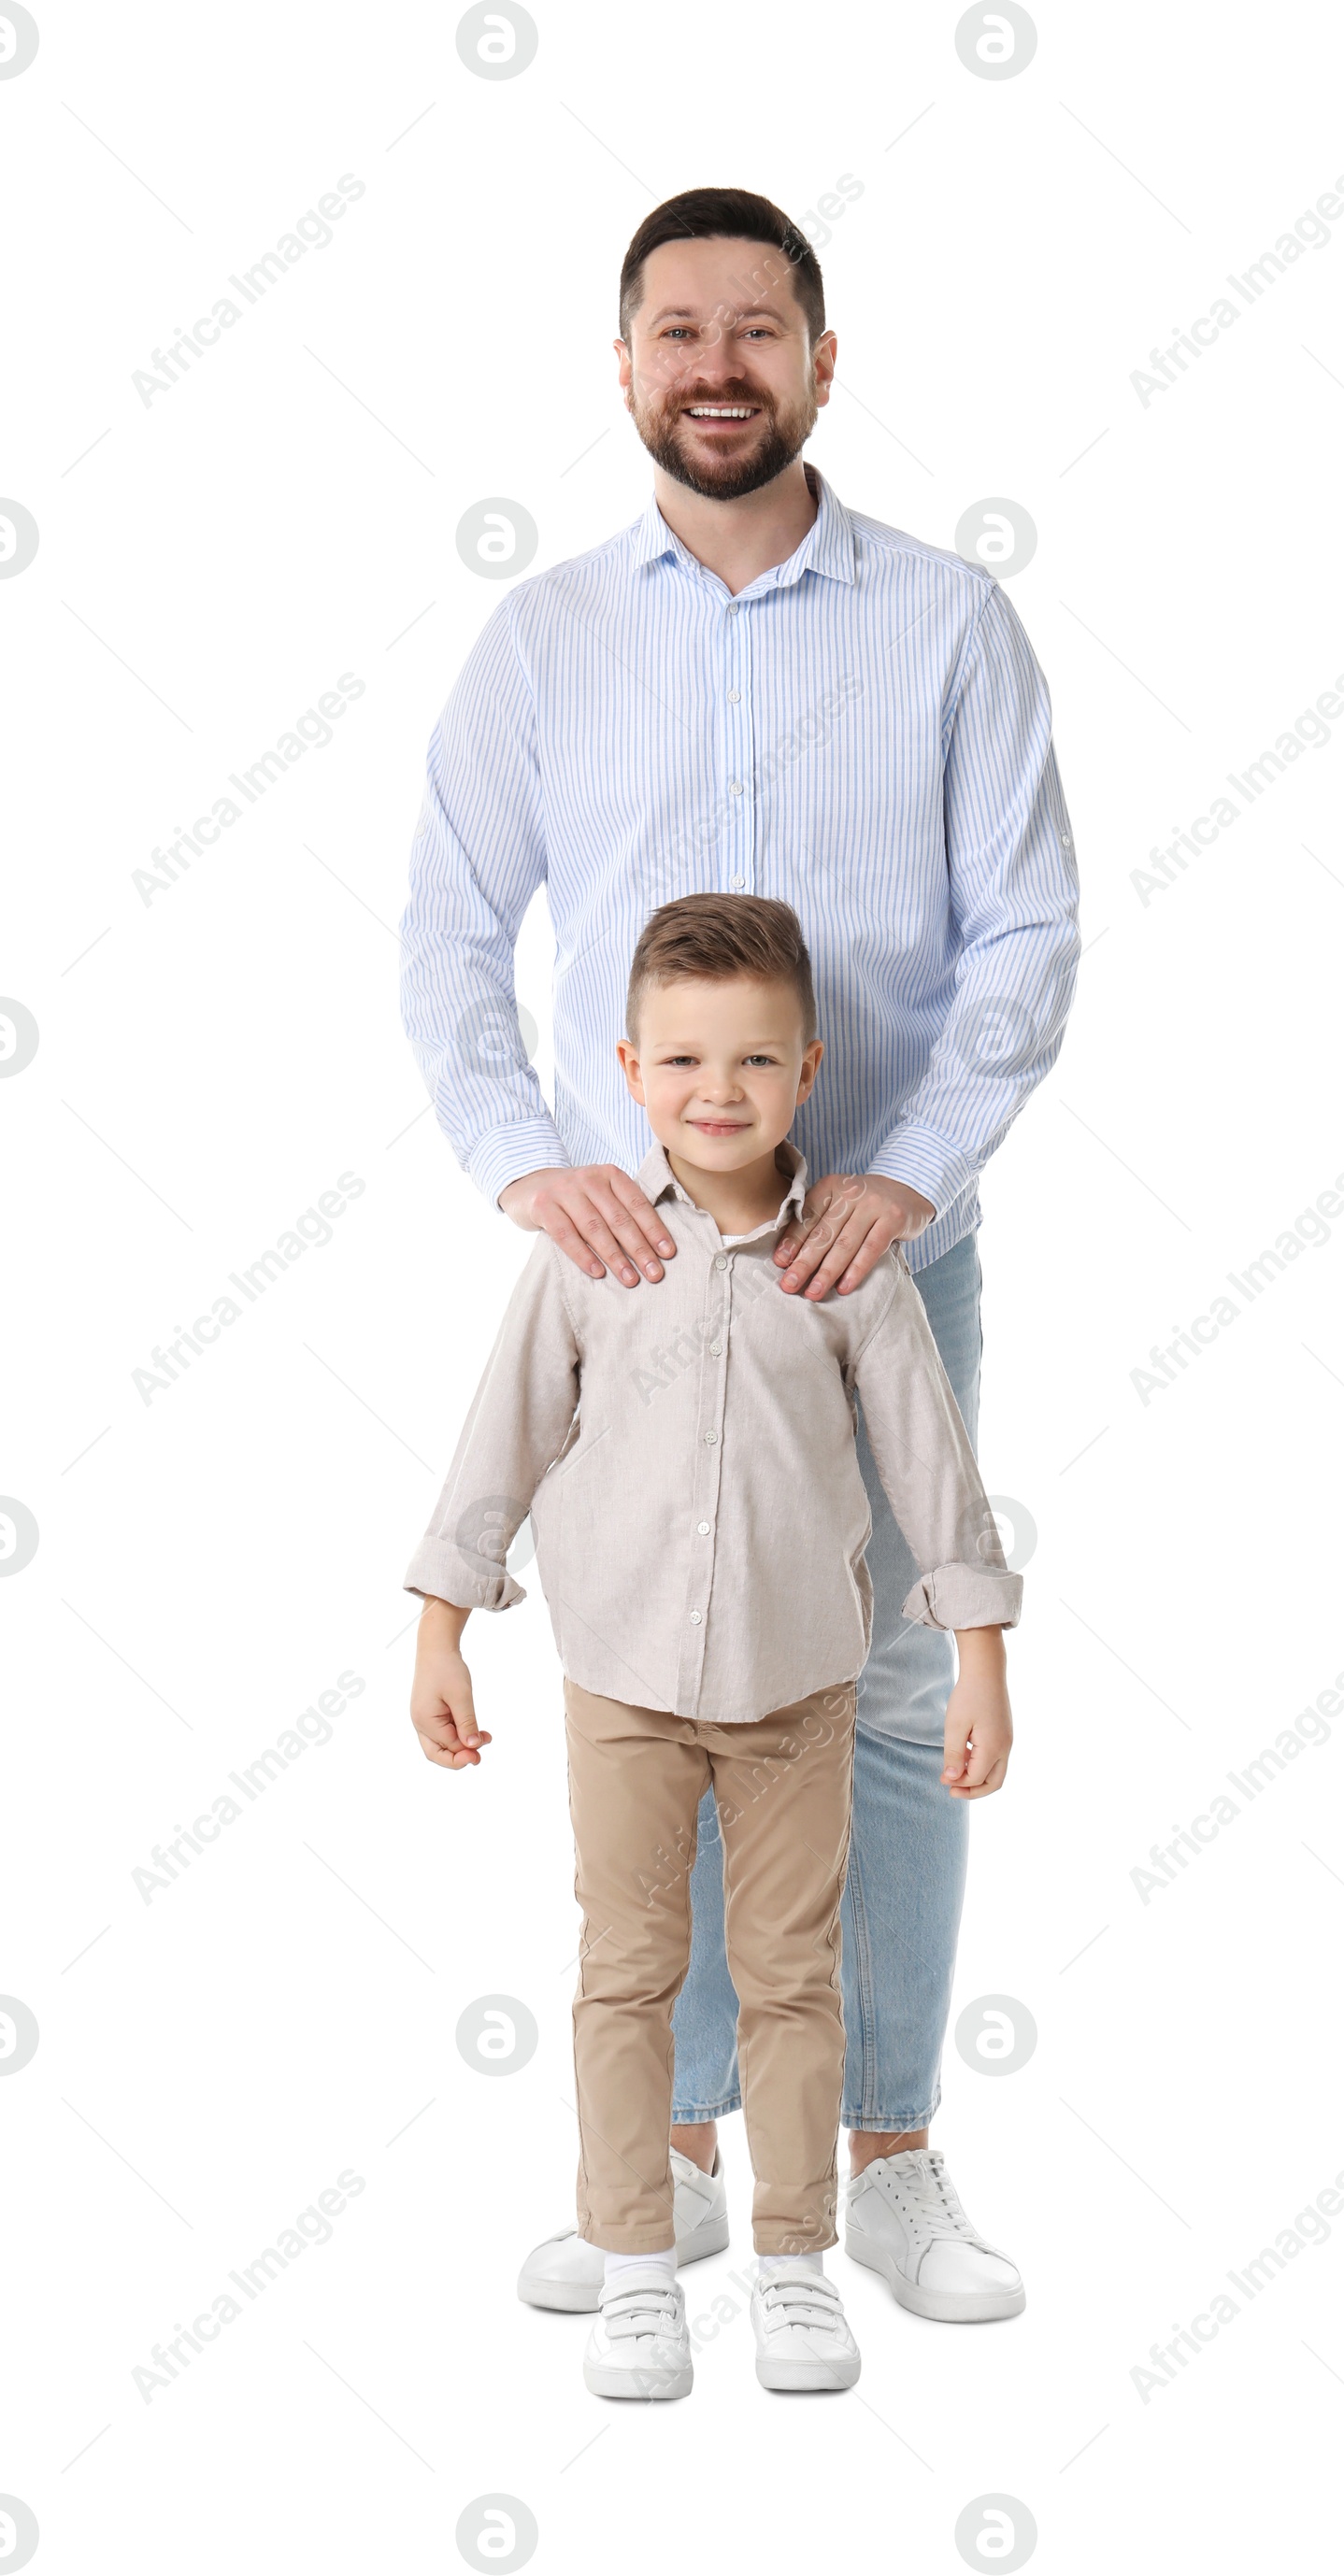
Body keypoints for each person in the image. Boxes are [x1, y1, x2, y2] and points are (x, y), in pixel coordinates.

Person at [398, 183, 1079, 2327]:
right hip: (631, 1280)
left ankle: (877, 2153)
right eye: (674, 331)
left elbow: (1024, 934)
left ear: (819, 359)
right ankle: (675, 2163)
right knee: (642, 1663)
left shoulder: (952, 623)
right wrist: (529, 1162)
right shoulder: (545, 640)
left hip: (871, 1254)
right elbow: (443, 930)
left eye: (755, 329)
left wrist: (915, 1167)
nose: (715, 365)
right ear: (621, 368)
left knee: (868, 1685)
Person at [405, 895, 1024, 2397]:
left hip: (799, 1690)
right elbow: (498, 1443)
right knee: (623, 1964)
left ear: (808, 1068)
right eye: (684, 1059)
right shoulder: (588, 1256)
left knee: (790, 1972)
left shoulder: (854, 1276)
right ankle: (634, 2256)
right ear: (628, 1065)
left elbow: (936, 1475)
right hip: (617, 1683)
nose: (719, 1091)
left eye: (754, 1059)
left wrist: (984, 1659)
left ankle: (798, 2260)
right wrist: (442, 1626)